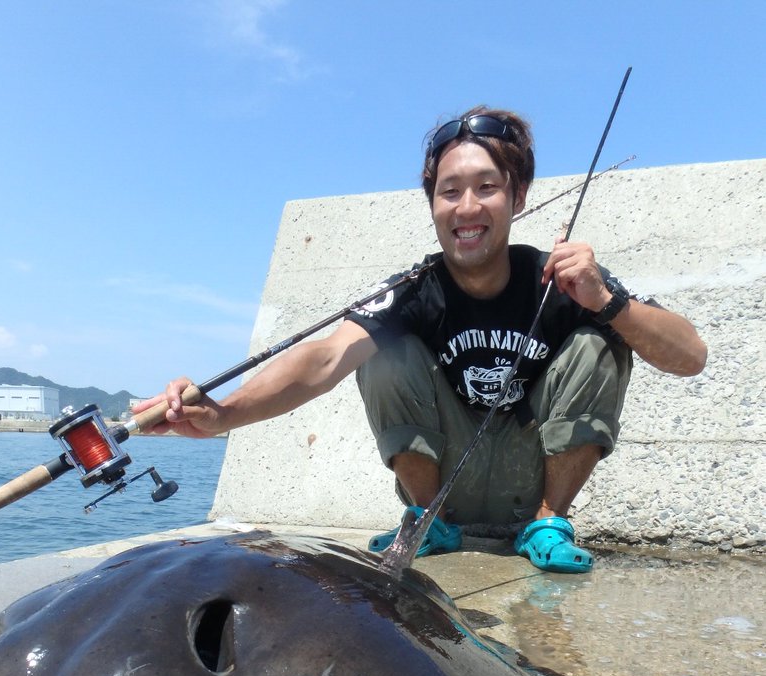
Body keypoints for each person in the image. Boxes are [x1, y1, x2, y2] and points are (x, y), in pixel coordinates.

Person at [134, 106, 707, 573]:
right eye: (449, 190)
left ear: (520, 196)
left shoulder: (562, 280)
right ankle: (429, 523)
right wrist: (222, 413)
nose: (467, 208)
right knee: (384, 353)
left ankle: (549, 523)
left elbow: (691, 357)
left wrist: (606, 303)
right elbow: (326, 357)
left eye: (487, 187)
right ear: (431, 203)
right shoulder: (413, 290)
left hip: (528, 479)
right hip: (443, 485)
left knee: (602, 340)